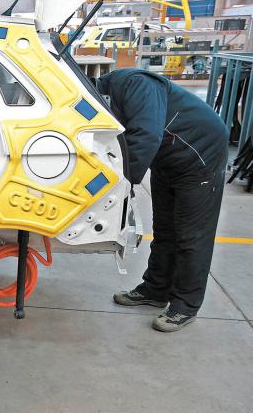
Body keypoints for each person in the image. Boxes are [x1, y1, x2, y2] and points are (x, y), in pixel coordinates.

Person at [95, 68, 229, 332]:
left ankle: (185, 306)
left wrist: (124, 183)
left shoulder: (134, 83)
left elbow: (146, 135)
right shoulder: (107, 97)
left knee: (192, 236)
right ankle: (156, 290)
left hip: (200, 156)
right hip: (168, 159)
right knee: (165, 230)